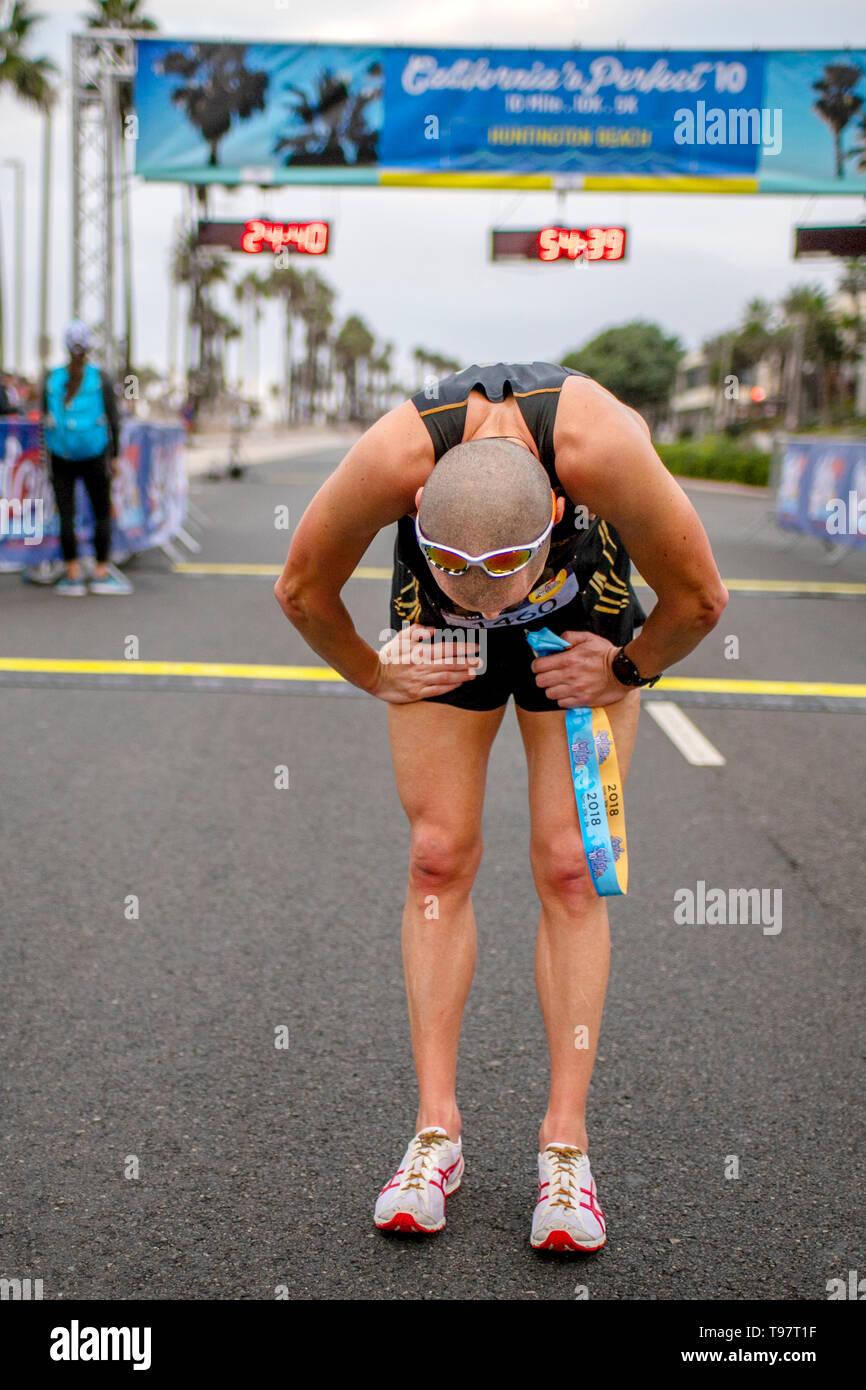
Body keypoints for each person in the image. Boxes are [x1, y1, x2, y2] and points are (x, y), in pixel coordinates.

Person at [274, 361, 728, 1252]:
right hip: (437, 636)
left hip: (582, 623)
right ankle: (435, 1136)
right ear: (418, 509)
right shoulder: (396, 455)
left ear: (558, 515)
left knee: (571, 867)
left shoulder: (600, 450)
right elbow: (299, 590)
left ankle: (567, 1147)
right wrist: (374, 671)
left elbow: (703, 600)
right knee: (437, 857)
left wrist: (629, 668)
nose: (487, 599)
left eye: (497, 582)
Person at [41, 321, 132, 595]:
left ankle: (72, 573)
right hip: (94, 454)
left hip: (61, 456)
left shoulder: (51, 377)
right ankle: (101, 572)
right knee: (101, 512)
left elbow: (43, 420)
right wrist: (114, 455)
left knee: (66, 514)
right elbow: (113, 419)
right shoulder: (100, 377)